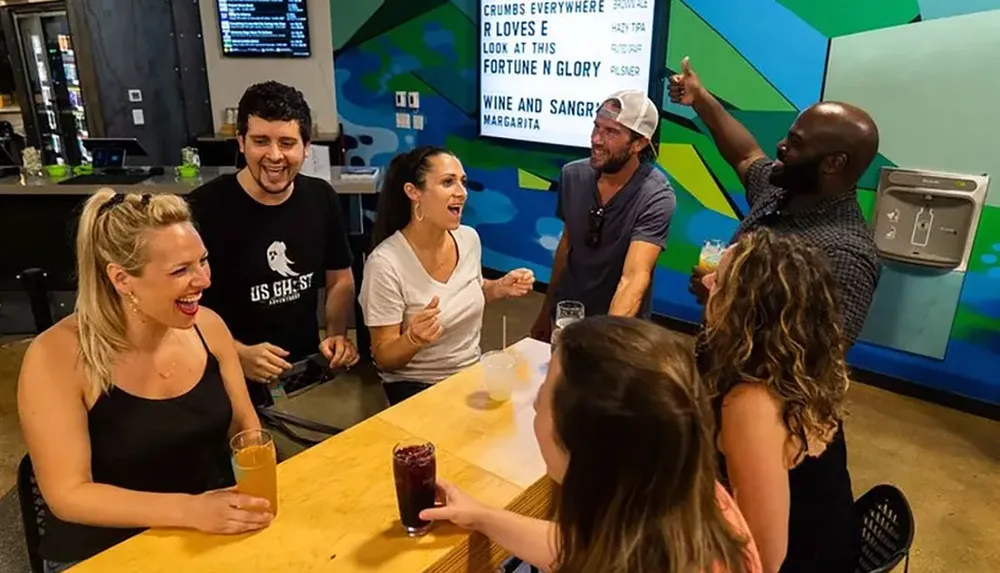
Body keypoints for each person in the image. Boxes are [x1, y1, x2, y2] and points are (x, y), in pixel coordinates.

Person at [17, 190, 272, 573]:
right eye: (180, 270)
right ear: (122, 279)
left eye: (203, 261)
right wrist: (188, 509)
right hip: (105, 550)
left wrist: (257, 488)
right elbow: (68, 495)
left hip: (206, 527)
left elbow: (245, 426)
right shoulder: (55, 356)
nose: (203, 279)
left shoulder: (210, 326)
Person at [421, 316, 763, 572]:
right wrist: (481, 516)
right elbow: (577, 546)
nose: (537, 404)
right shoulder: (692, 497)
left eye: (545, 393)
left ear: (583, 446)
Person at [669, 57, 880, 345]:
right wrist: (700, 99)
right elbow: (746, 155)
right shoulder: (780, 190)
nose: (780, 146)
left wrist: (725, 303)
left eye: (796, 143)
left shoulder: (844, 255)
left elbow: (819, 356)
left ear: (833, 163)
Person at [187, 81, 357, 407]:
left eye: (287, 143)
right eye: (260, 141)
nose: (275, 156)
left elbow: (340, 278)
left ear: (307, 147)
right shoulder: (202, 208)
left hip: (304, 370)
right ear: (241, 142)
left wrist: (336, 334)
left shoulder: (321, 198)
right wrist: (236, 352)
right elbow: (180, 304)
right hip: (222, 372)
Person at [699, 229, 860, 573]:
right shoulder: (804, 369)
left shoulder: (751, 403)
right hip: (834, 548)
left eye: (722, 281)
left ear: (748, 311)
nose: (708, 279)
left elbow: (762, 559)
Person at [359, 146, 535, 405]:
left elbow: (466, 291)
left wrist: (498, 287)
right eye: (447, 182)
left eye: (462, 182)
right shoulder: (385, 264)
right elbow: (384, 357)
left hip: (472, 374)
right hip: (417, 388)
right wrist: (413, 339)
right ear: (413, 192)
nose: (461, 192)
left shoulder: (468, 239)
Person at [531, 90, 676, 342]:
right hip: (568, 315)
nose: (596, 139)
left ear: (639, 143)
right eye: (597, 127)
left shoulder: (656, 196)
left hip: (619, 325)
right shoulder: (572, 176)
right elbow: (567, 245)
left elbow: (634, 277)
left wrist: (606, 342)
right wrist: (546, 311)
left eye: (612, 132)